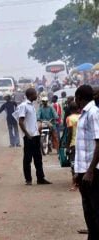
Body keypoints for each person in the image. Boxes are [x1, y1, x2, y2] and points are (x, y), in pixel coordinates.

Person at [74, 85, 99, 239]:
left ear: (79, 98)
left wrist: (90, 170)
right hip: (84, 170)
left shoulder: (93, 113)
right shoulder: (84, 114)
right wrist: (79, 172)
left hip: (94, 171)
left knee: (96, 210)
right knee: (88, 210)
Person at [18, 88, 52, 185]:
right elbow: (20, 122)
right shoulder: (24, 106)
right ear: (30, 95)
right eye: (35, 94)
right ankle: (28, 179)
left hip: (36, 135)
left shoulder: (32, 105)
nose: (37, 95)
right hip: (29, 137)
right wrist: (27, 134)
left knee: (38, 158)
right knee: (27, 159)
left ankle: (40, 178)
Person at [66, 102, 80, 191]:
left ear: (70, 110)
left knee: (73, 164)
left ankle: (75, 184)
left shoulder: (69, 118)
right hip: (82, 144)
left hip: (73, 144)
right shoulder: (82, 116)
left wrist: (67, 146)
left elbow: (70, 133)